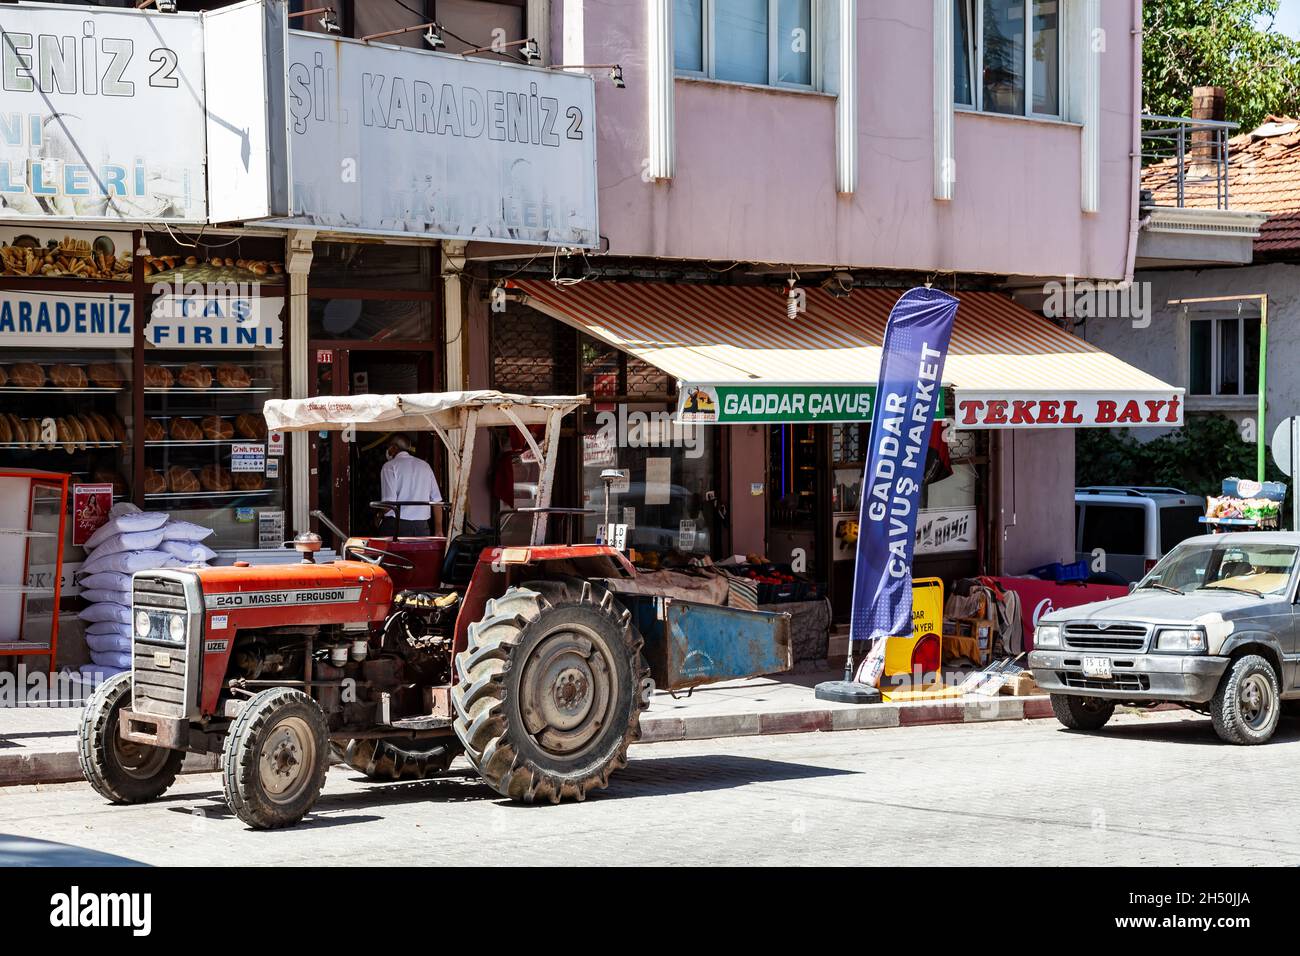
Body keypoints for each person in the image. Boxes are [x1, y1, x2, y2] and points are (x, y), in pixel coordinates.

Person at [378, 434, 443, 537]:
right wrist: (439, 529)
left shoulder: (389, 466)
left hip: (397, 526)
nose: (387, 450)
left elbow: (388, 504)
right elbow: (437, 501)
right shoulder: (425, 466)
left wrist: (379, 515)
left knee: (392, 553)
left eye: (388, 447)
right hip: (422, 527)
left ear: (394, 447)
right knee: (420, 553)